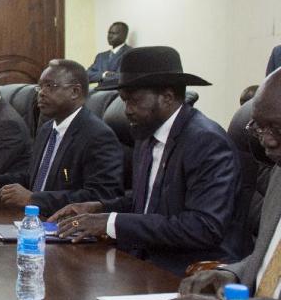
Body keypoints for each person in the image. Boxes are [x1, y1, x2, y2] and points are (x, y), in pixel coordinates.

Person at [52, 46, 246, 275]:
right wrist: (99, 208)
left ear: (167, 97)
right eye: (124, 101)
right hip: (140, 260)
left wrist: (111, 222)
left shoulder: (206, 142)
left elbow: (202, 227)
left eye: (133, 101)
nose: (127, 111)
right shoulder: (146, 135)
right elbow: (148, 203)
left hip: (187, 271)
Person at [143, 71, 281, 300]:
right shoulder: (279, 170)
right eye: (259, 127)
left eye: (277, 129)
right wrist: (232, 274)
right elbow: (271, 254)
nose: (267, 141)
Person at [0, 60, 124, 215]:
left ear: (75, 91)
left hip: (68, 227)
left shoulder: (97, 135)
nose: (41, 93)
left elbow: (100, 198)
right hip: (34, 219)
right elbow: (34, 177)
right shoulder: (47, 129)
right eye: (39, 87)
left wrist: (34, 198)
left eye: (49, 86)